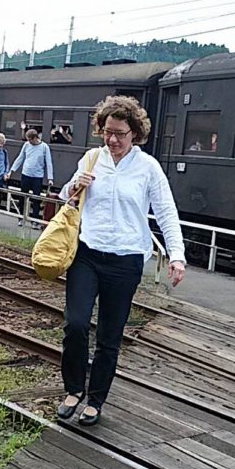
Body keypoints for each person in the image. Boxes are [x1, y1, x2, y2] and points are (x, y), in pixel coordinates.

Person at [55, 95, 186, 426]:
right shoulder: (91, 158)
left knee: (109, 337)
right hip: (86, 253)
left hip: (126, 260)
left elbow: (166, 212)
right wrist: (75, 183)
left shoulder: (148, 168)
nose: (113, 139)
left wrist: (177, 255)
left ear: (135, 134)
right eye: (108, 132)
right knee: (76, 324)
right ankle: (73, 389)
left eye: (121, 134)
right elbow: (64, 197)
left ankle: (96, 400)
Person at [7, 129, 54, 226]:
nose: (29, 141)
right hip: (26, 174)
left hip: (37, 176)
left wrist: (50, 178)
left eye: (30, 140)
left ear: (35, 138)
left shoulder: (44, 147)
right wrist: (11, 171)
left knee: (36, 199)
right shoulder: (26, 145)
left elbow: (48, 163)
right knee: (22, 197)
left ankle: (35, 220)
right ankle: (21, 218)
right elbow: (20, 158)